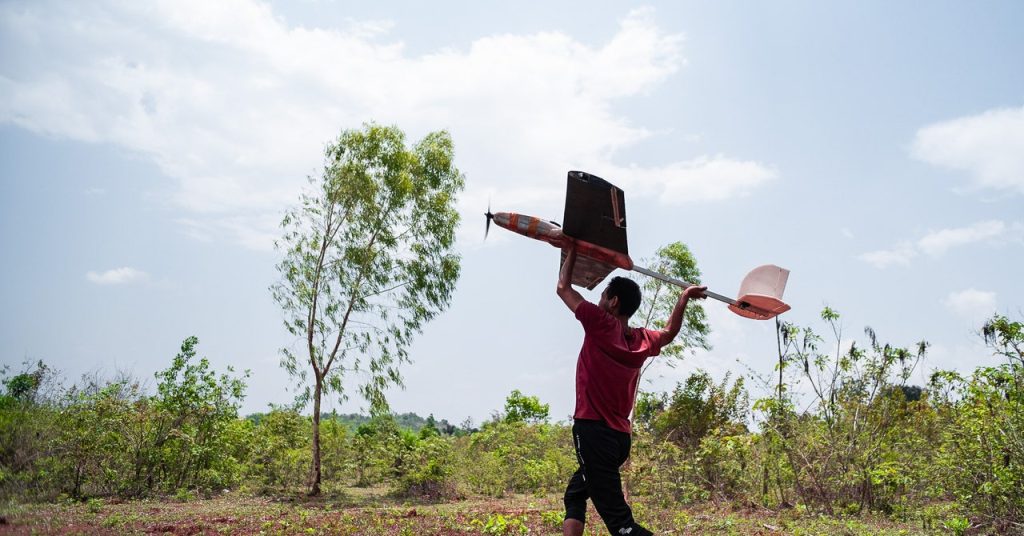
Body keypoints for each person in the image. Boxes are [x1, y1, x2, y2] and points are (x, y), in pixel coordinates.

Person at [556, 240, 706, 536]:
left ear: (613, 302)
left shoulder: (600, 323)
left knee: (622, 526)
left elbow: (563, 288)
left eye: (602, 296)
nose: (598, 301)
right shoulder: (642, 340)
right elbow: (669, 332)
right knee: (575, 494)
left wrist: (571, 247)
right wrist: (684, 297)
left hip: (594, 433)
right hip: (619, 440)